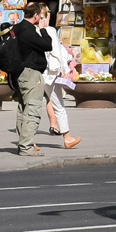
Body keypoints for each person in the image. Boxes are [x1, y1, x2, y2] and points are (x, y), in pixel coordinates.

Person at [13, 3, 54, 157]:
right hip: (31, 74)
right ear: (36, 16)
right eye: (40, 16)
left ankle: (23, 142)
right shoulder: (28, 31)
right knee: (32, 110)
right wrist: (43, 29)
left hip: (20, 74)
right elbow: (47, 45)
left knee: (23, 109)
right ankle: (26, 147)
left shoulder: (17, 28)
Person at [39, 13, 82, 150]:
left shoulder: (36, 31)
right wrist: (62, 69)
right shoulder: (49, 31)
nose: (47, 19)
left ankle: (28, 140)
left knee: (33, 106)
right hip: (50, 74)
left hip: (45, 73)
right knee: (58, 106)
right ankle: (67, 138)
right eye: (45, 16)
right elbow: (55, 53)